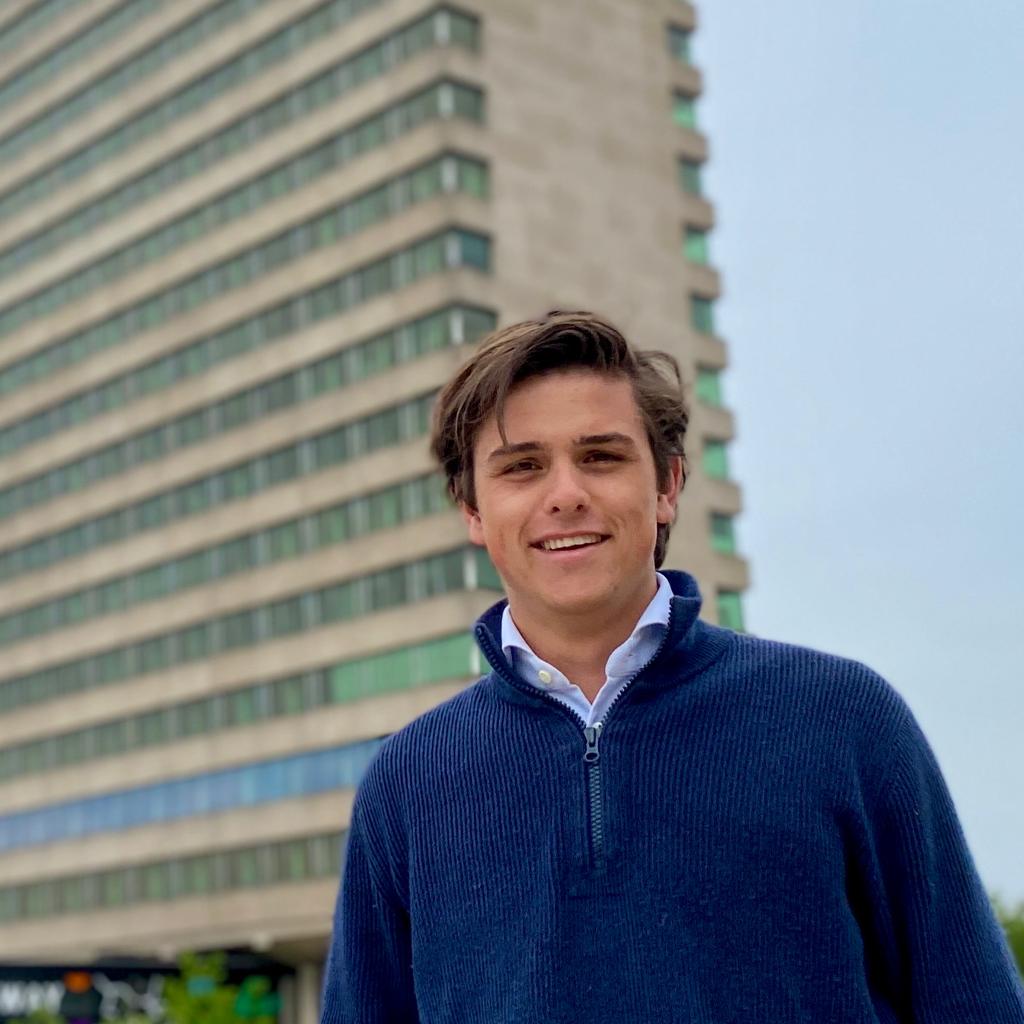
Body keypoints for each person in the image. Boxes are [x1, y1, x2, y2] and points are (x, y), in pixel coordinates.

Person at [320, 311, 1024, 1022]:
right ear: (472, 509)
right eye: (522, 466)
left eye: (601, 456)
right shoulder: (407, 781)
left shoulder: (844, 720)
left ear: (668, 486)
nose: (565, 494)